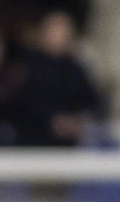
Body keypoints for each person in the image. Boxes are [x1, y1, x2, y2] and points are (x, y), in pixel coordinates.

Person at [10, 11, 104, 147]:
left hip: (72, 146)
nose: (61, 36)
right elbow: (23, 103)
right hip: (32, 144)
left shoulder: (76, 69)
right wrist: (52, 120)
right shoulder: (26, 67)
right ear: (43, 33)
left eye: (65, 31)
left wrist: (77, 121)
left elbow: (93, 103)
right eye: (55, 30)